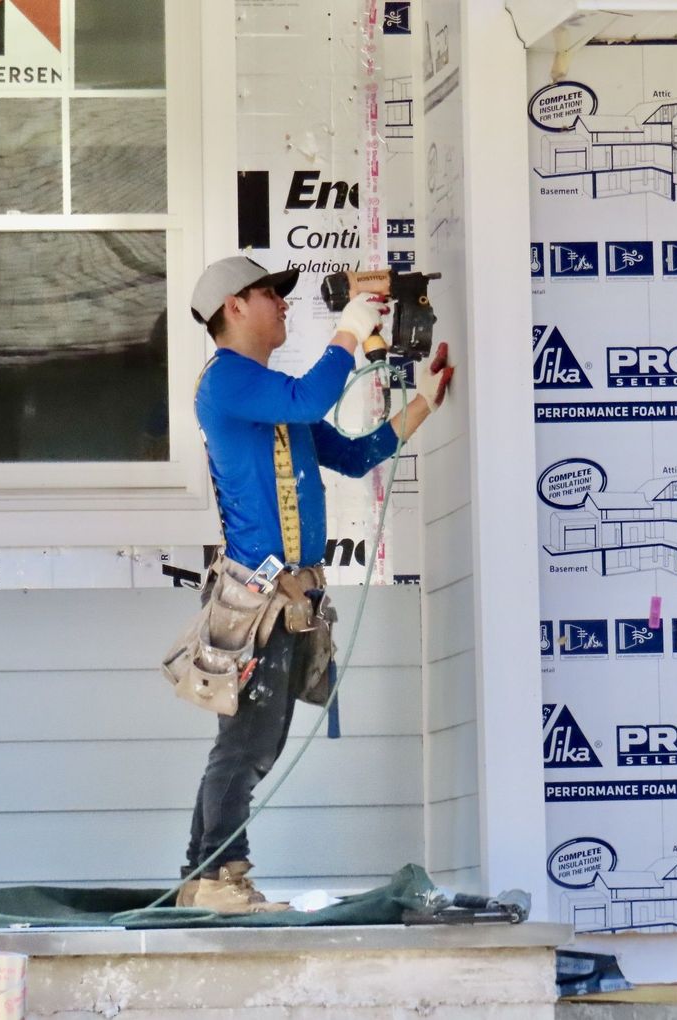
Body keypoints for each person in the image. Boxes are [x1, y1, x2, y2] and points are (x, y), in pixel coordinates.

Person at [180, 256, 453, 914]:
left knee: (254, 741)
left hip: (285, 599)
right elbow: (307, 397)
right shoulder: (226, 383)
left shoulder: (268, 393)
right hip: (256, 599)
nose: (282, 304)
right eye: (269, 294)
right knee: (248, 742)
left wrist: (422, 404)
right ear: (235, 308)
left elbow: (355, 455)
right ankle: (216, 877)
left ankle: (205, 877)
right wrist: (354, 322)